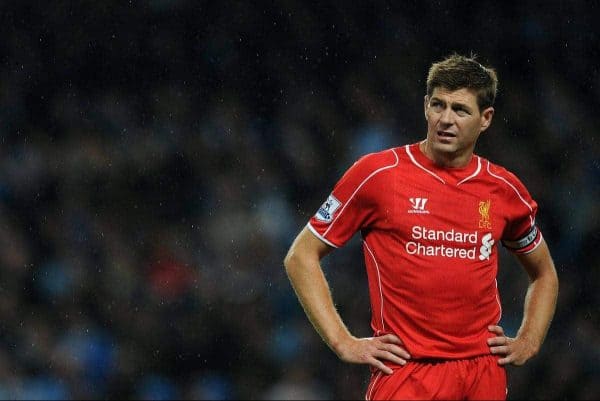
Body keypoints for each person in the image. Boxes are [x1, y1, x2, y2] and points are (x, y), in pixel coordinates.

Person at [283, 53, 559, 400]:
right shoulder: (377, 175)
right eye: (437, 105)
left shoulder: (504, 190)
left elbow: (544, 273)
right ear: (425, 107)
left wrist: (529, 340)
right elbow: (301, 255)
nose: (445, 119)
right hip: (406, 372)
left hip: (481, 373)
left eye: (460, 110)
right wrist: (342, 342)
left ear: (485, 119)